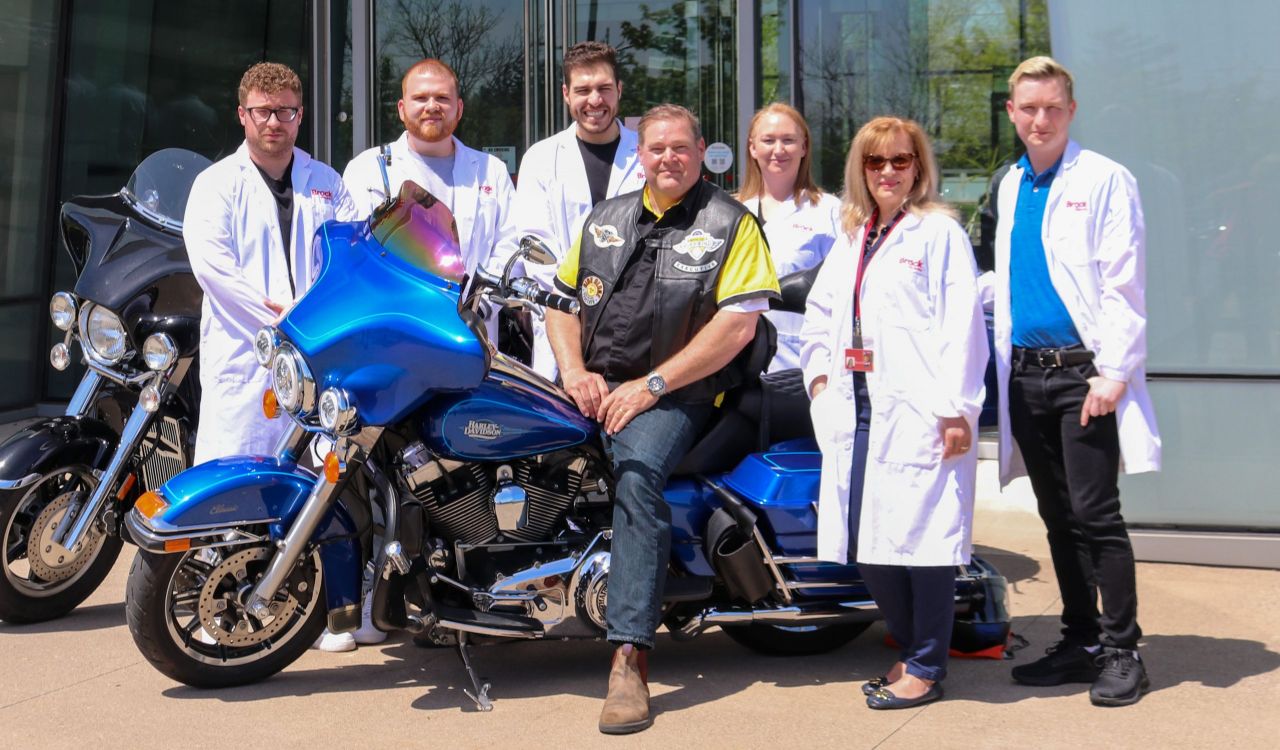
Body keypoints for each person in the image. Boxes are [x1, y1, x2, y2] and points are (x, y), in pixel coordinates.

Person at [545, 104, 779, 734]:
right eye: (656, 149)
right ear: (639, 155)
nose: (668, 158)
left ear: (701, 151)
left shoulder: (732, 222)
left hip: (684, 395)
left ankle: (629, 656)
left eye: (680, 147)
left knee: (637, 473)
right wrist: (573, 372)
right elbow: (562, 304)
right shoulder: (606, 220)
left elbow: (736, 328)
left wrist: (651, 386)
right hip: (598, 385)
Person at [182, 63, 373, 652]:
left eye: (287, 111)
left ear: (300, 115)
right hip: (248, 357)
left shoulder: (327, 181)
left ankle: (325, 611)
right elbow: (213, 269)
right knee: (235, 478)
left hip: (318, 359)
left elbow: (351, 256)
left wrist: (316, 325)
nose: (276, 122)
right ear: (242, 115)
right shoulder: (216, 184)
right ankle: (220, 599)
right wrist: (283, 318)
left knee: (323, 482)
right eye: (264, 111)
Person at [800, 116, 987, 710]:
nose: (887, 173)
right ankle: (910, 646)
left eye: (900, 161)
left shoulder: (938, 233)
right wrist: (821, 379)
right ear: (860, 170)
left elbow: (962, 326)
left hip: (919, 409)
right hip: (855, 406)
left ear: (918, 167)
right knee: (869, 540)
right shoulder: (856, 234)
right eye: (875, 162)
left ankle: (927, 664)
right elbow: (822, 311)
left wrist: (956, 409)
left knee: (923, 541)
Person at [994, 56, 1161, 707]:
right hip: (1026, 376)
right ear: (1011, 113)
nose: (1040, 119)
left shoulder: (1106, 179)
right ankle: (1081, 639)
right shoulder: (1009, 184)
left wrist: (1114, 372)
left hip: (1083, 378)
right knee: (1057, 517)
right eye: (1028, 108)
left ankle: (1124, 650)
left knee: (1097, 516)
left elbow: (1124, 281)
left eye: (1052, 108)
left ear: (1071, 111)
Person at [513, 41, 644, 379]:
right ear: (566, 94)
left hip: (638, 327)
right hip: (563, 324)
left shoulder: (647, 154)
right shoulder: (541, 158)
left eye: (604, 88)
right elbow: (533, 245)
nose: (595, 100)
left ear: (619, 90)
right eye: (583, 90)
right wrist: (576, 304)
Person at [343, 58, 517, 284]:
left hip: (477, 314)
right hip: (397, 313)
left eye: (443, 98)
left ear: (459, 109)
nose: (432, 106)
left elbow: (509, 245)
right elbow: (356, 252)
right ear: (402, 109)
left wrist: (478, 305)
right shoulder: (366, 169)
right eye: (420, 98)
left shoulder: (492, 170)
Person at [735, 103, 841, 372]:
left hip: (804, 365)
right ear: (752, 147)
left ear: (804, 147)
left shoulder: (830, 213)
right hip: (737, 365)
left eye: (789, 140)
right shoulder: (731, 211)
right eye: (768, 140)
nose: (778, 150)